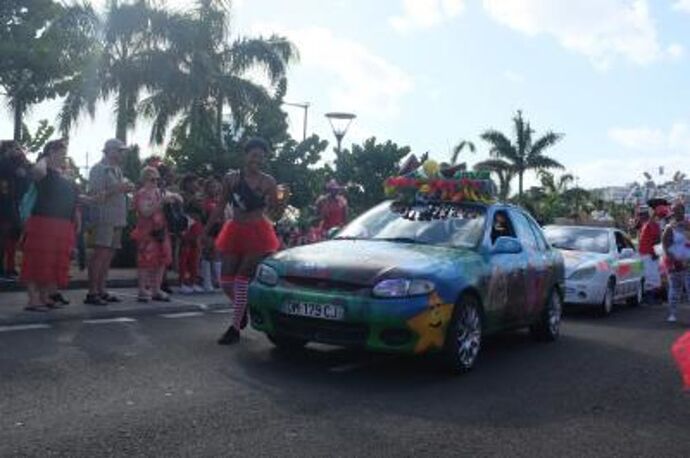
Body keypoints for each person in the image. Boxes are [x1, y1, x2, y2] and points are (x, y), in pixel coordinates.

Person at [206, 138, 288, 345]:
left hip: (258, 233)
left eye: (261, 156)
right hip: (234, 230)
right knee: (226, 282)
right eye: (254, 155)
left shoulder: (269, 182)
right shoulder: (231, 179)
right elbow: (220, 206)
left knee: (242, 278)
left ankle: (234, 329)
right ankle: (241, 309)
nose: (257, 159)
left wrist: (282, 202)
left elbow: (275, 214)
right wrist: (205, 231)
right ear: (246, 155)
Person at [20, 140, 79, 311]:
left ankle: (44, 297)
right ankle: (33, 300)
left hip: (61, 224)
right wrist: (46, 157)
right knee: (36, 261)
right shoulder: (42, 170)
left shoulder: (62, 173)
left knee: (51, 263)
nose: (64, 156)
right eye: (61, 153)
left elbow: (73, 197)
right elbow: (37, 171)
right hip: (43, 222)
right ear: (52, 152)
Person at [85, 139, 134, 306]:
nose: (122, 154)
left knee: (108, 256)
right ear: (110, 151)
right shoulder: (99, 169)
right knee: (100, 255)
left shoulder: (117, 170)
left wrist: (123, 188)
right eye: (119, 151)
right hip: (103, 217)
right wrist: (119, 188)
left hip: (117, 218)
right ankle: (92, 292)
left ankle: (102, 290)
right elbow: (95, 194)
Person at [131, 166, 177, 302]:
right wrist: (161, 202)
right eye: (152, 179)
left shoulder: (160, 192)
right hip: (147, 231)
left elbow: (175, 197)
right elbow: (145, 212)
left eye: (157, 179)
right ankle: (142, 290)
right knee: (145, 261)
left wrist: (176, 197)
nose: (155, 182)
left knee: (161, 260)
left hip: (161, 230)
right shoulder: (141, 193)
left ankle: (156, 289)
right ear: (144, 179)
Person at [662, 202, 690, 323]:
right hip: (674, 263)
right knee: (674, 289)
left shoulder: (688, 225)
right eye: (674, 211)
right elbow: (665, 246)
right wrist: (674, 260)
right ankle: (672, 313)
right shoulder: (669, 228)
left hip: (688, 263)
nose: (676, 214)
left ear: (683, 212)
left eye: (678, 211)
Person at [639, 204, 669, 303]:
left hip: (648, 253)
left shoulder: (651, 224)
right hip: (647, 253)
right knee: (651, 276)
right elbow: (656, 240)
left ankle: (650, 297)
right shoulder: (651, 224)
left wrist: (657, 254)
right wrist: (657, 254)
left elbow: (656, 240)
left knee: (651, 276)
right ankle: (649, 297)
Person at [200, 176, 223, 292]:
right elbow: (204, 216)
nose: (214, 189)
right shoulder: (205, 201)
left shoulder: (218, 200)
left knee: (217, 254)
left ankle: (217, 280)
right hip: (209, 229)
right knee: (208, 254)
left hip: (218, 229)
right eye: (211, 187)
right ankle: (207, 282)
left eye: (215, 187)